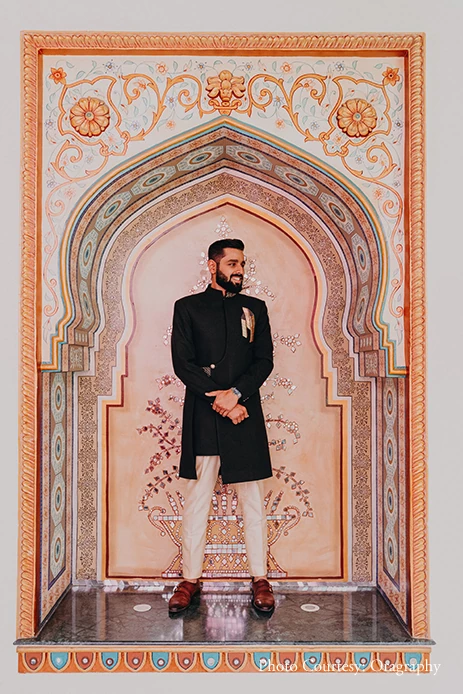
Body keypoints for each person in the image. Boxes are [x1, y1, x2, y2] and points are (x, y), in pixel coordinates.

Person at [168, 238, 275, 614]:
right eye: (232, 263)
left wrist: (236, 395)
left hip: (245, 414)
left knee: (253, 503)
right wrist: (221, 400)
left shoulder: (255, 309)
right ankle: (189, 580)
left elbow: (264, 361)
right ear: (213, 266)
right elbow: (183, 364)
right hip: (205, 415)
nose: (239, 270)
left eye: (241, 263)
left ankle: (260, 579)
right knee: (197, 500)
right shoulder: (187, 308)